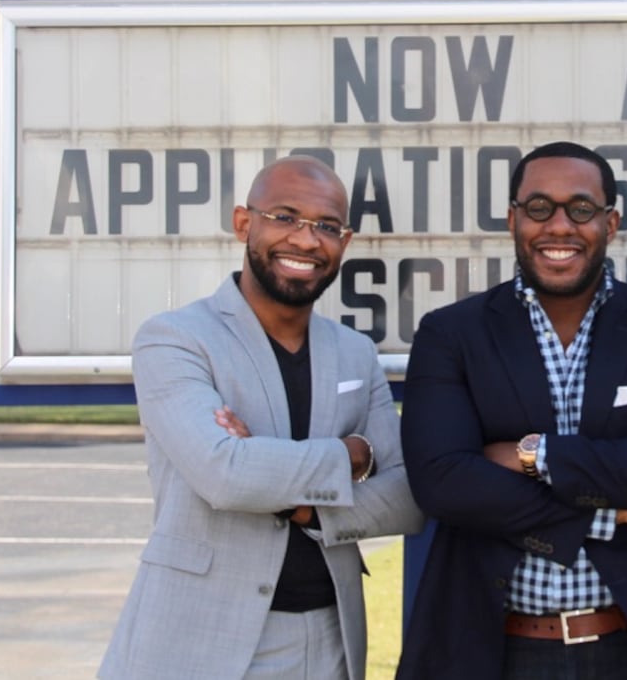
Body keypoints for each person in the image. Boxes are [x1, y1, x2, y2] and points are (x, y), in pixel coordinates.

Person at [397, 141, 627, 679]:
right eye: (538, 208)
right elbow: (442, 480)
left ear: (610, 222)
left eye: (580, 209)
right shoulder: (450, 334)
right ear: (513, 219)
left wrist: (534, 455)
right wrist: (600, 511)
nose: (559, 226)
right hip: (488, 651)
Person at [101, 155, 422, 680]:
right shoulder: (175, 338)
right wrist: (352, 455)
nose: (305, 239)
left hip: (329, 638)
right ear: (244, 223)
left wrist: (302, 507)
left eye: (326, 226)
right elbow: (225, 475)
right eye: (285, 216)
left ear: (345, 241)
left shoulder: (355, 353)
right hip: (199, 636)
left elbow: (408, 497)